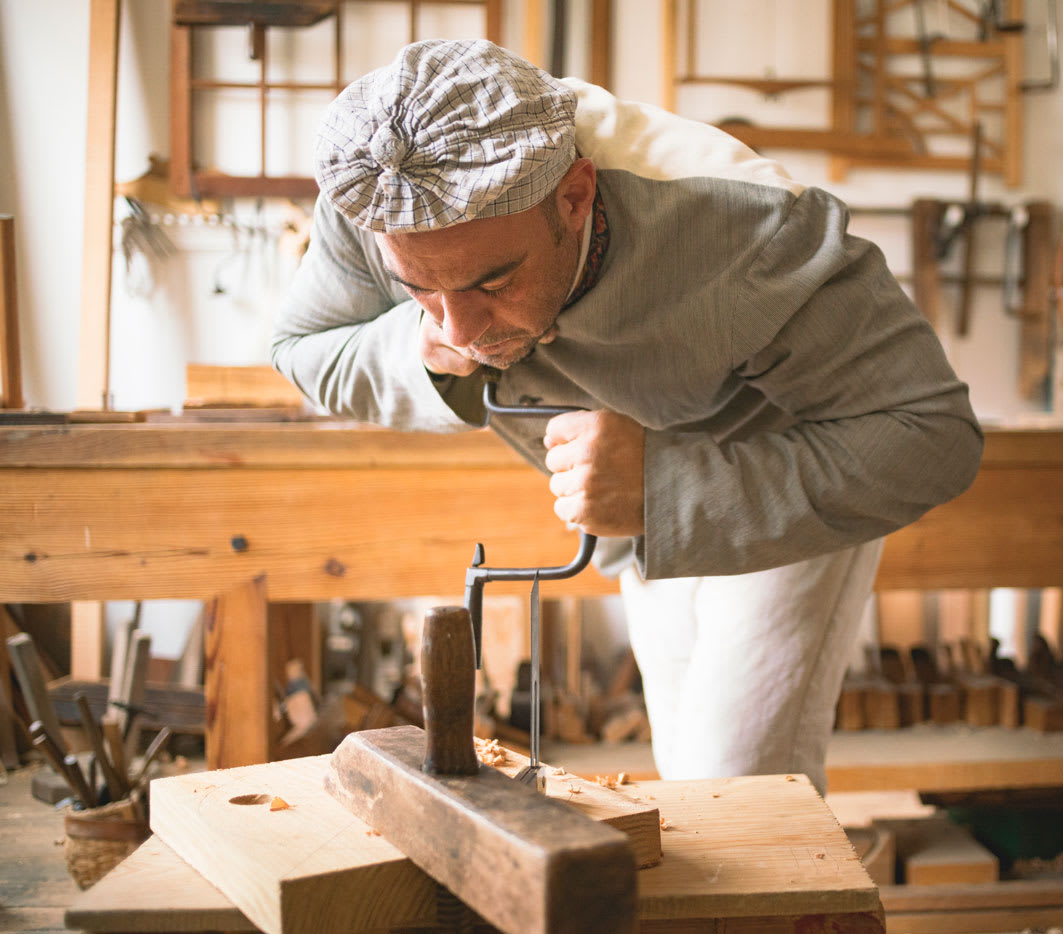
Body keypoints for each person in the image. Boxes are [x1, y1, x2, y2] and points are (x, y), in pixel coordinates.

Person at [271, 39, 982, 794]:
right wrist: (418, 347)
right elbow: (300, 347)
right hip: (633, 503)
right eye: (420, 288)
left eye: (494, 279)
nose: (463, 330)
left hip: (782, 475)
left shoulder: (749, 230)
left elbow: (932, 435)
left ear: (575, 197)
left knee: (733, 783)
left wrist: (665, 489)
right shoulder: (380, 192)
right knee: (686, 777)